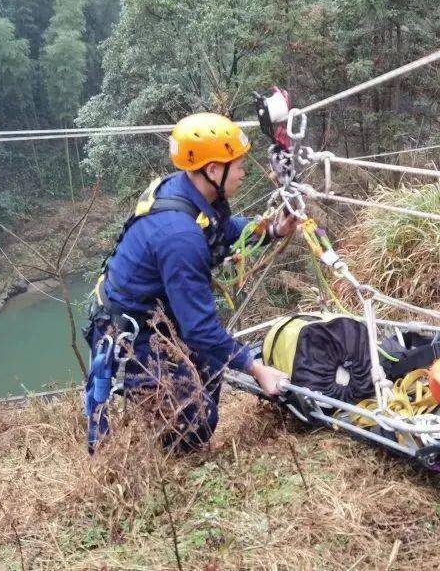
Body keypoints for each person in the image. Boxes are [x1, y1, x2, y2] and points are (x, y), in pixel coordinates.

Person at [84, 112, 295, 453]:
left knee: (211, 368)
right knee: (195, 420)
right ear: (213, 170)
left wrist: (271, 229)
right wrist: (256, 369)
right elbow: (199, 328)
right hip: (135, 335)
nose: (244, 172)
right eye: (238, 165)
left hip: (156, 312)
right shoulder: (179, 238)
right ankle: (170, 451)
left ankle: (176, 422)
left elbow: (222, 229)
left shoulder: (186, 191)